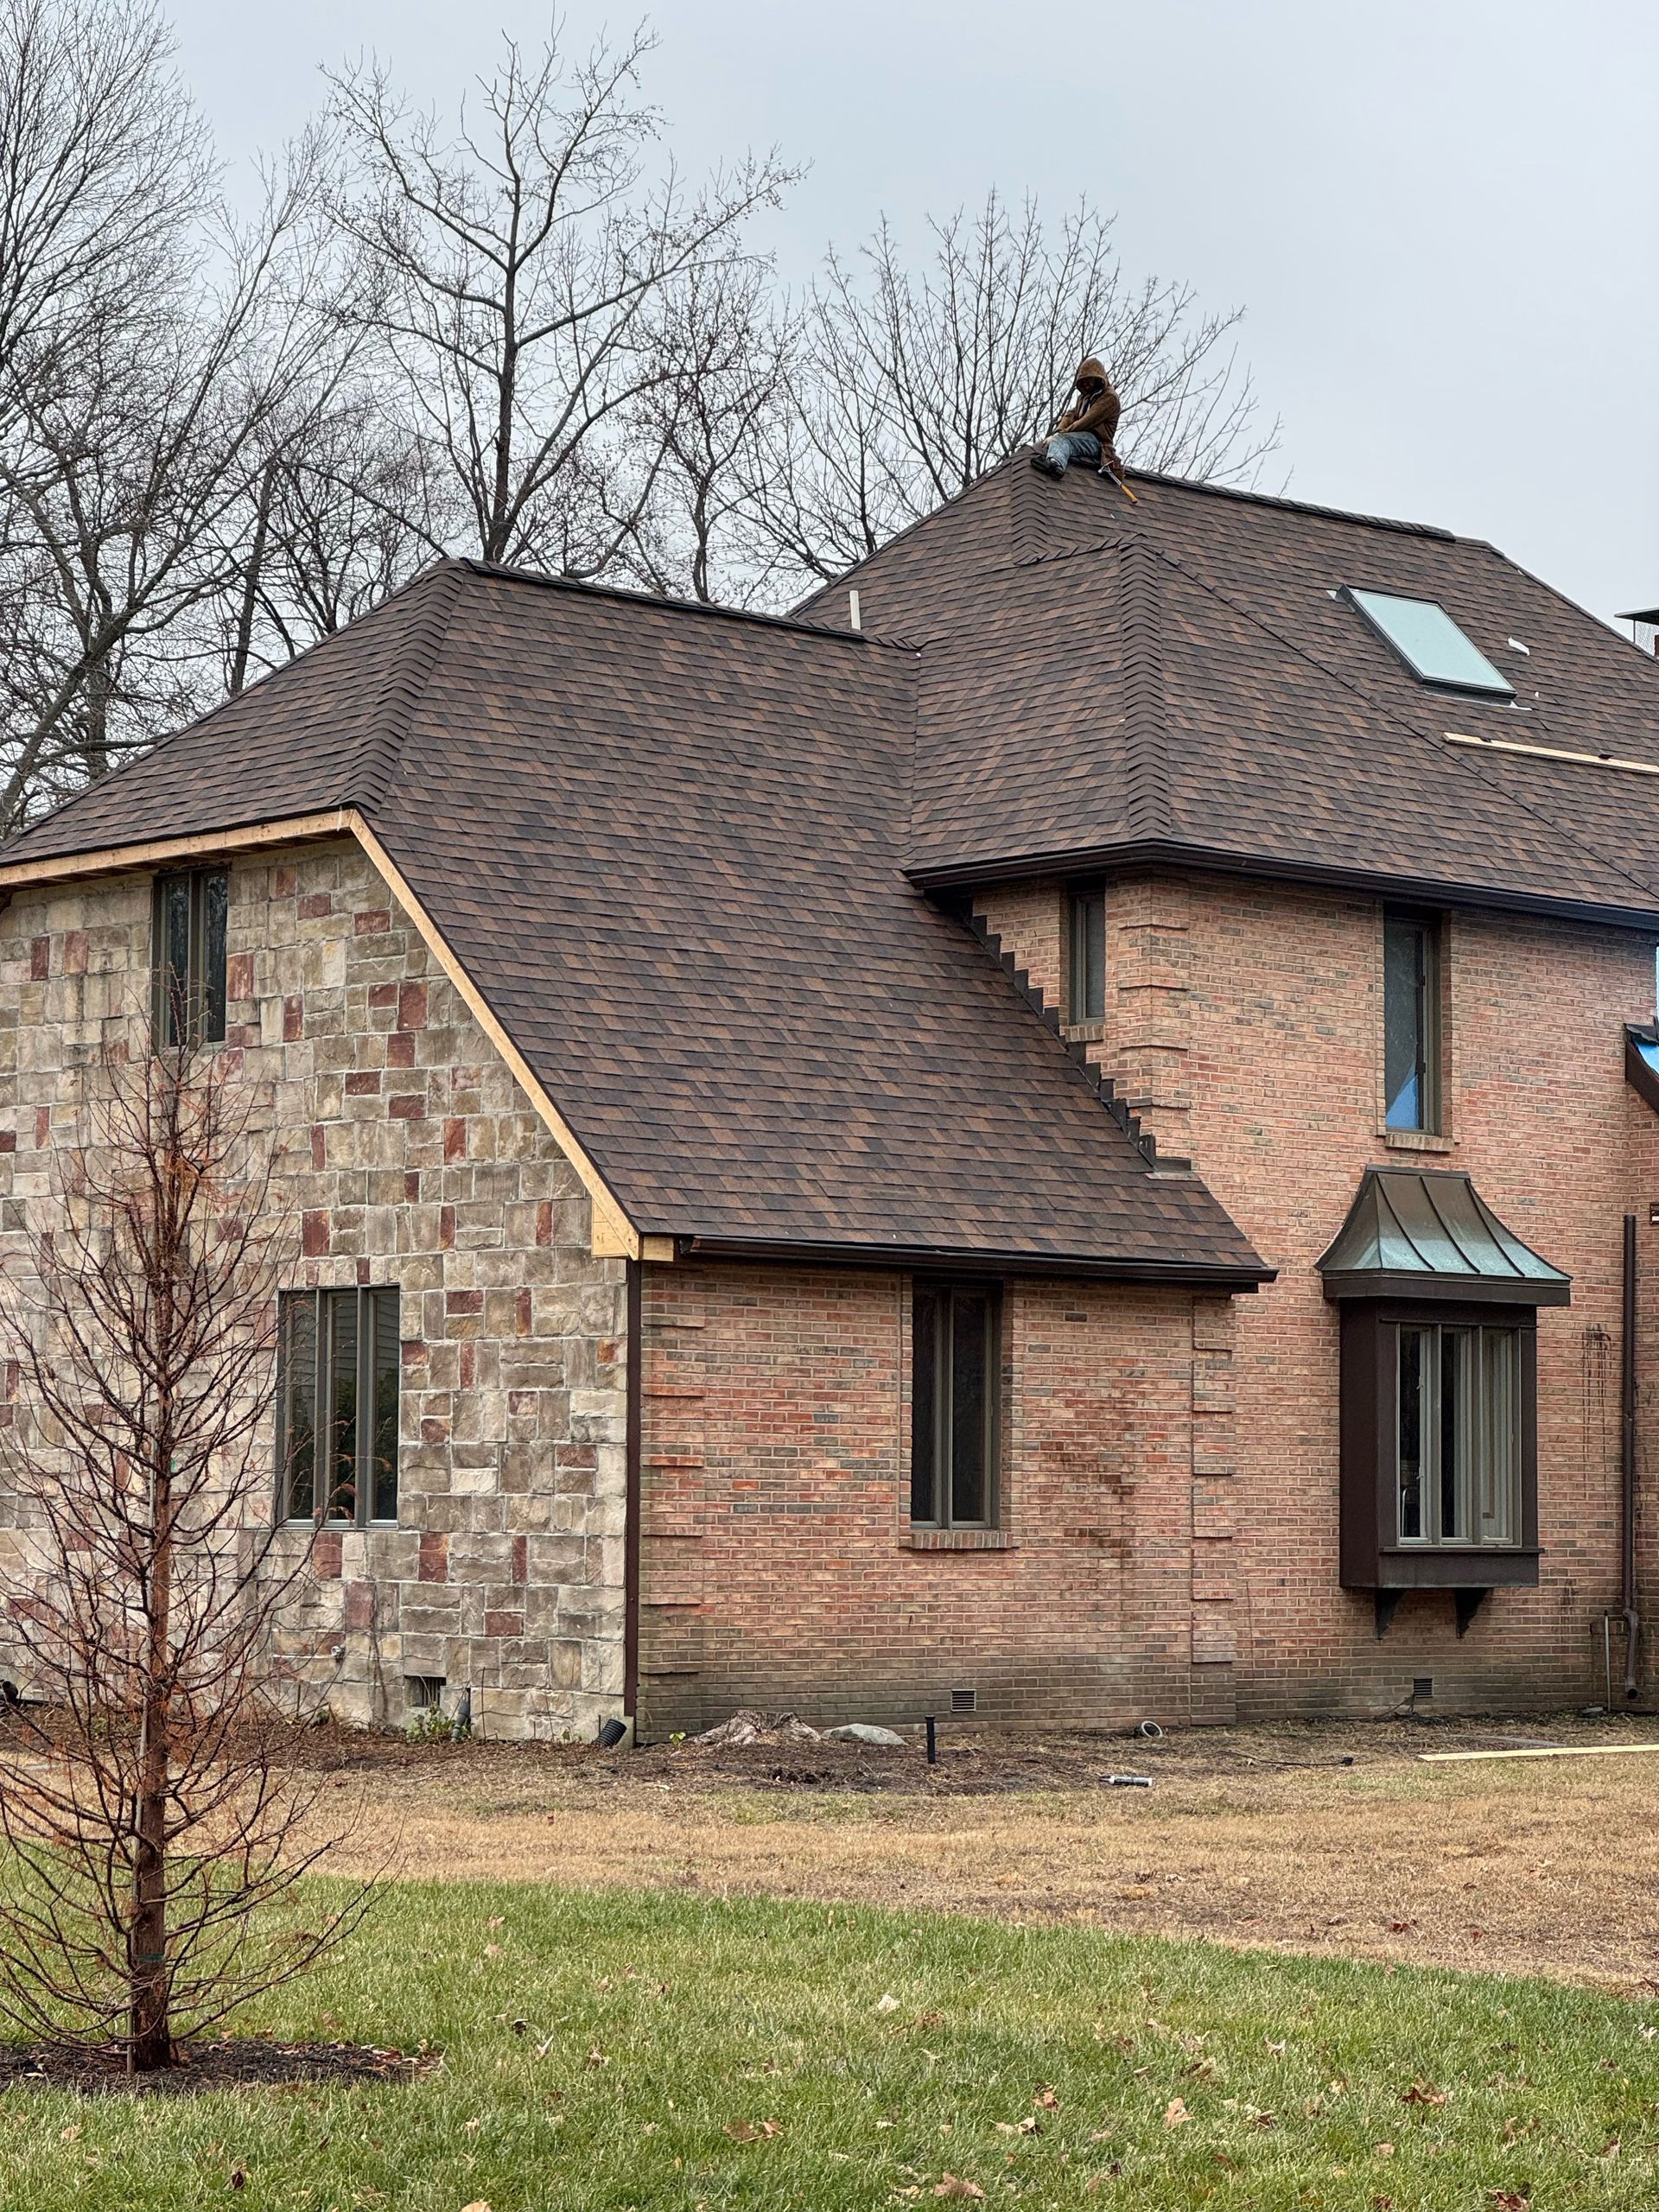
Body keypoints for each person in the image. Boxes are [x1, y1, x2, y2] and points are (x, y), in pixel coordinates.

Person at [1031, 357, 1125, 481]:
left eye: (1089, 381)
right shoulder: (1084, 399)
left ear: (1097, 379)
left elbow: (1087, 420)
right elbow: (1070, 415)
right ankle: (1044, 457)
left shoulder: (1109, 398)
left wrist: (1061, 435)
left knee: (1063, 440)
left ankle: (1056, 464)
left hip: (1098, 443)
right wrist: (1057, 431)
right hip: (1080, 437)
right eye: (1084, 382)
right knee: (1045, 444)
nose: (1086, 385)